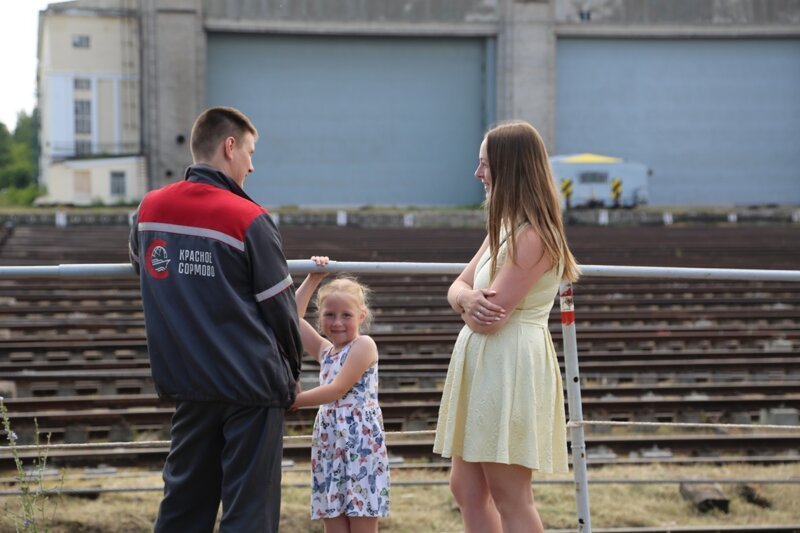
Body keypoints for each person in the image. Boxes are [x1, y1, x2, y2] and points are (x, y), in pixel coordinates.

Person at [128, 106, 303, 532]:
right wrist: (291, 373)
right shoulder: (250, 219)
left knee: (184, 503)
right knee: (249, 512)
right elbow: (280, 311)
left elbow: (143, 266)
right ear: (229, 147)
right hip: (251, 385)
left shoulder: (149, 210)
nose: (252, 165)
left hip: (188, 380)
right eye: (249, 152)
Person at [433, 121, 580, 533]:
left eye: (484, 164)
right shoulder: (504, 226)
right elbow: (458, 288)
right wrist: (465, 299)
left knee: (511, 497)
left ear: (509, 168)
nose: (478, 174)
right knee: (466, 488)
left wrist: (466, 303)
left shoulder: (533, 236)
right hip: (489, 368)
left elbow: (490, 320)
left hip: (508, 367)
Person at [291, 256, 390, 532]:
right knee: (332, 518)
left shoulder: (364, 345)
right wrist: (314, 278)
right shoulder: (325, 351)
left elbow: (337, 390)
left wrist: (294, 400)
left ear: (362, 316)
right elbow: (291, 317)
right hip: (330, 442)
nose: (337, 322)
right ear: (319, 317)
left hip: (359, 444)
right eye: (329, 315)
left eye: (346, 315)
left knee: (361, 518)